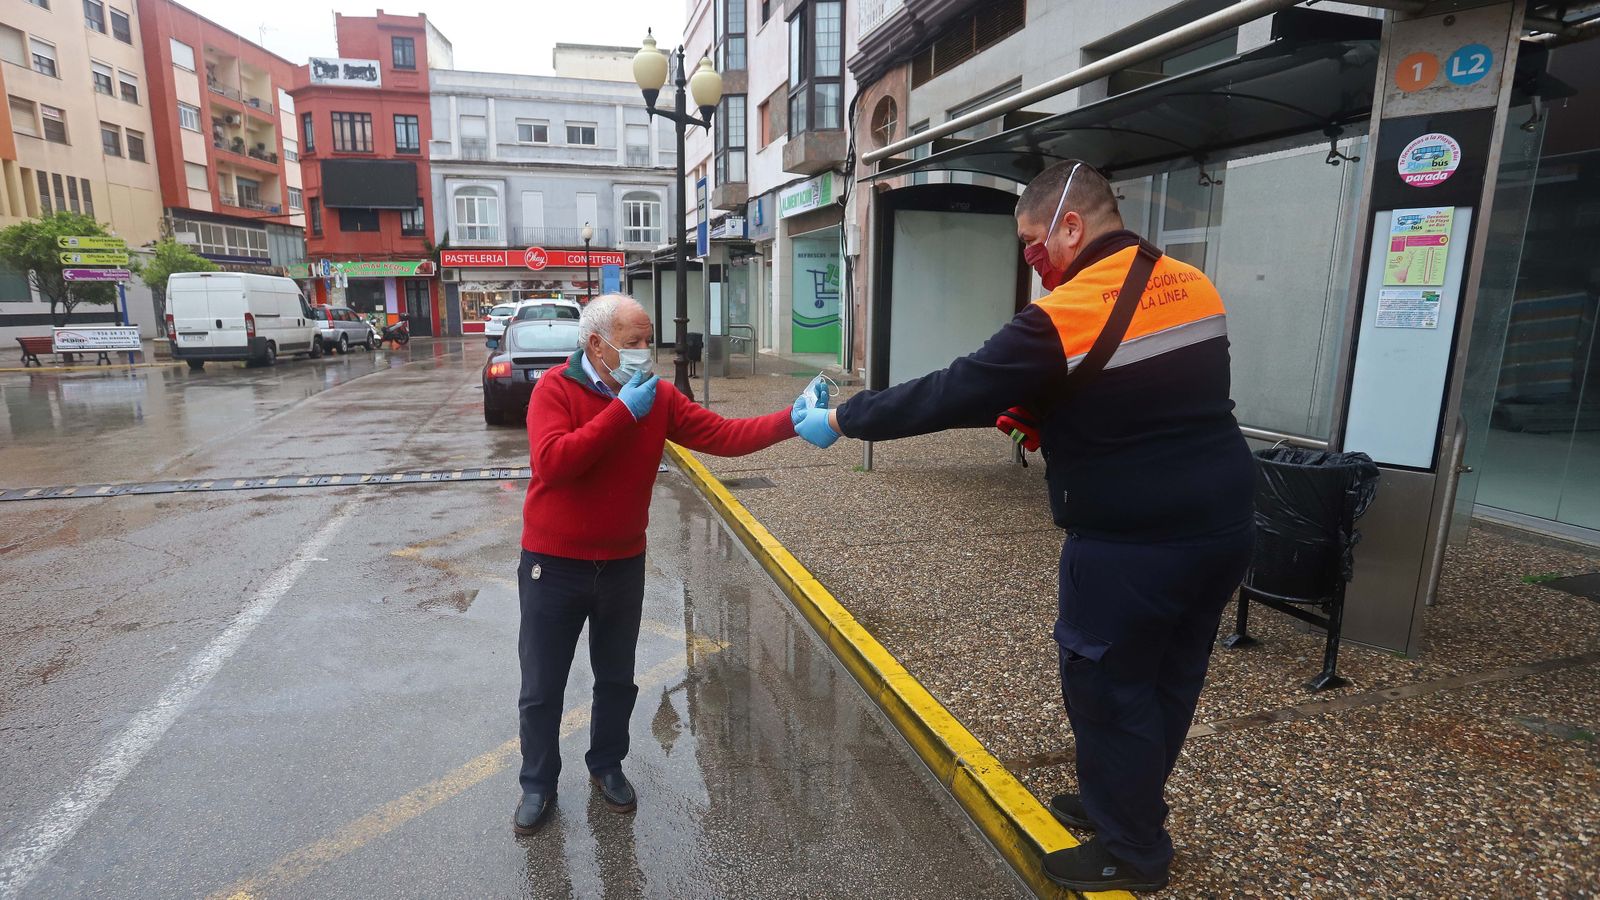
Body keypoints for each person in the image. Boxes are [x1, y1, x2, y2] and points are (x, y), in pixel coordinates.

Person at [794, 160, 1256, 893]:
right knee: (1170, 679)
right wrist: (1055, 414)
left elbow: (956, 388)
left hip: (1133, 544)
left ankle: (1133, 850)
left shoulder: (1068, 312)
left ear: (1072, 226)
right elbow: (1150, 392)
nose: (1034, 262)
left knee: (1108, 688)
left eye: (1034, 244)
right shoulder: (1192, 282)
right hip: (1224, 525)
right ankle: (1122, 802)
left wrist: (847, 417)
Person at [514, 294, 801, 835]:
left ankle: (606, 764)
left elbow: (722, 436)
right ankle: (537, 783)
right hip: (553, 564)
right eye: (633, 342)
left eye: (649, 340)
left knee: (617, 678)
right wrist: (621, 414)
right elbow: (553, 463)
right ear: (596, 344)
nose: (645, 352)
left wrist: (791, 421)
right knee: (543, 685)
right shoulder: (556, 390)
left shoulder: (658, 396)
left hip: (622, 562)